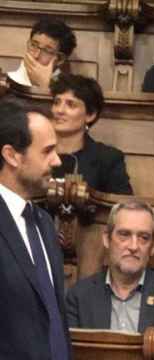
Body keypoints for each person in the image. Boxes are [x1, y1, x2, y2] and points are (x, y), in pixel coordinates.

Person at [0, 99, 71, 359]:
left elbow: (52, 316)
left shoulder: (43, 222)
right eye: (47, 151)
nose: (56, 161)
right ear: (11, 155)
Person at [66, 199, 154, 332]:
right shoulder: (79, 297)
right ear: (106, 239)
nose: (134, 246)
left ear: (152, 247)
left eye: (143, 237)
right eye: (124, 235)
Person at [49, 73, 133, 194]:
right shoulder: (36, 151)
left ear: (90, 115)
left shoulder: (107, 159)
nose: (59, 110)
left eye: (71, 104)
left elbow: (124, 207)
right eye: (56, 102)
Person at [8, 18, 77, 88]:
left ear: (60, 59)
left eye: (46, 51)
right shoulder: (9, 81)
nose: (36, 55)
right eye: (33, 45)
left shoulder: (65, 90)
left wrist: (44, 84)